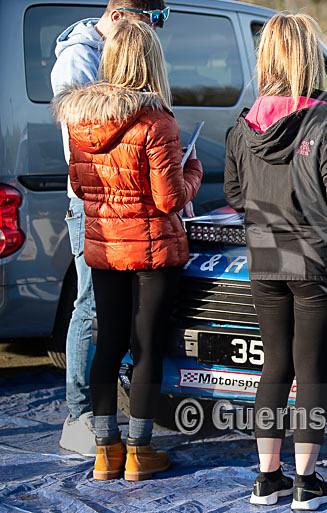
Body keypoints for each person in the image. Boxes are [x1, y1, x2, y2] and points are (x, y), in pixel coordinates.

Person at [224, 13, 327, 511]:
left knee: (274, 369)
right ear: (310, 58)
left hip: (265, 257)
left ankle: (268, 477)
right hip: (317, 265)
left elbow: (236, 196)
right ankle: (306, 482)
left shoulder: (243, 127)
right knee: (312, 372)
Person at [52, 19, 202, 481]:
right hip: (153, 249)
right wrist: (191, 170)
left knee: (108, 343)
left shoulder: (79, 117)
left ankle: (105, 451)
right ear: (152, 63)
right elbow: (169, 200)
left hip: (104, 245)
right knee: (146, 348)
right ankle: (139, 450)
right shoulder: (158, 120)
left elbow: (79, 184)